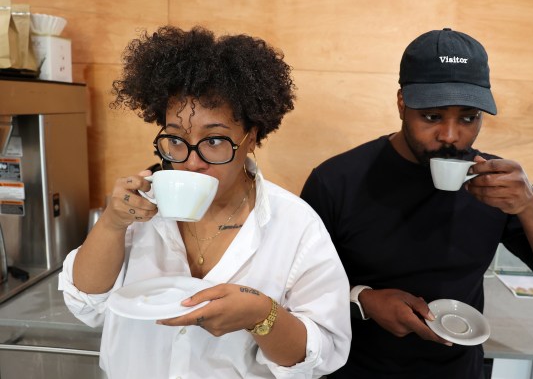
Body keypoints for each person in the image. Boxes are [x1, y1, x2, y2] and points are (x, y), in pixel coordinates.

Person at [300, 28, 533, 379]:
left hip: (458, 371)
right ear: (401, 104)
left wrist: (532, 204)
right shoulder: (338, 180)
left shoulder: (497, 183)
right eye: (432, 116)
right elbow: (295, 289)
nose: (451, 135)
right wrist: (362, 300)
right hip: (354, 368)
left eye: (468, 118)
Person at [59, 26, 351, 379]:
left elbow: (319, 354)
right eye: (176, 140)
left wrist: (262, 315)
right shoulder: (138, 207)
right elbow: (85, 303)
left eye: (214, 141)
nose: (190, 161)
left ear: (252, 137)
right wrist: (111, 223)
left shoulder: (295, 225)